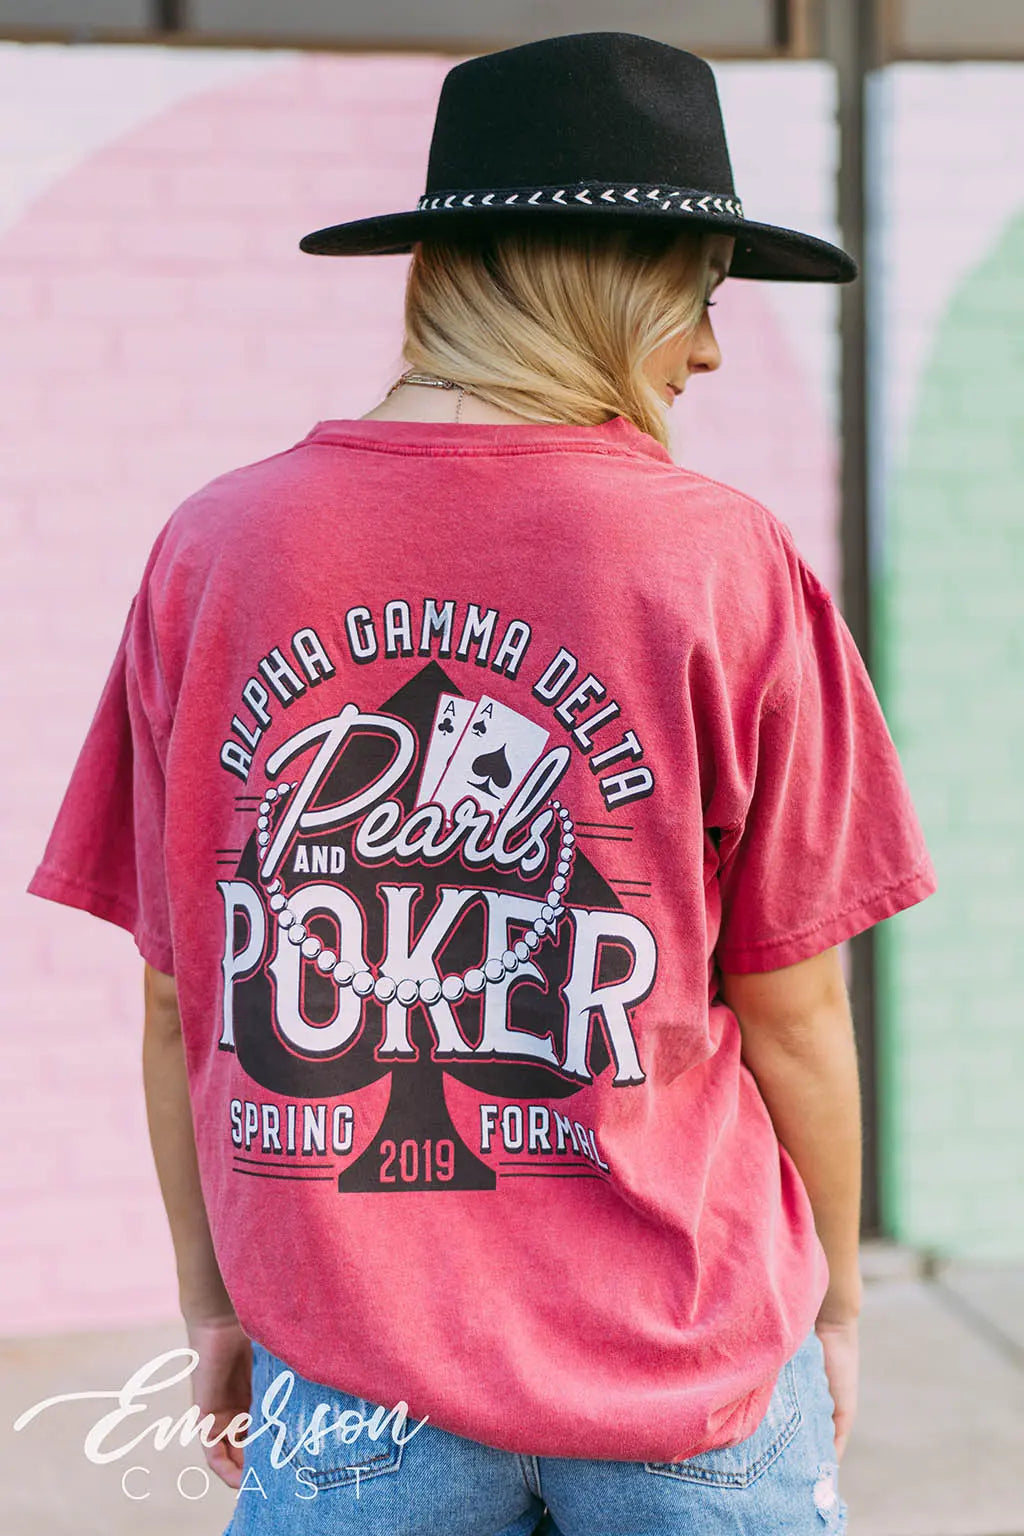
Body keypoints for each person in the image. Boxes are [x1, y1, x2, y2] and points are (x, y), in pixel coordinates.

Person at [28, 31, 936, 1536]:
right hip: (687, 1363)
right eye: (702, 296)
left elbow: (185, 996)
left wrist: (220, 1303)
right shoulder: (724, 562)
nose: (710, 352)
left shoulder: (216, 550)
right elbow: (796, 1010)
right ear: (613, 285)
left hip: (352, 1372)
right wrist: (835, 1303)